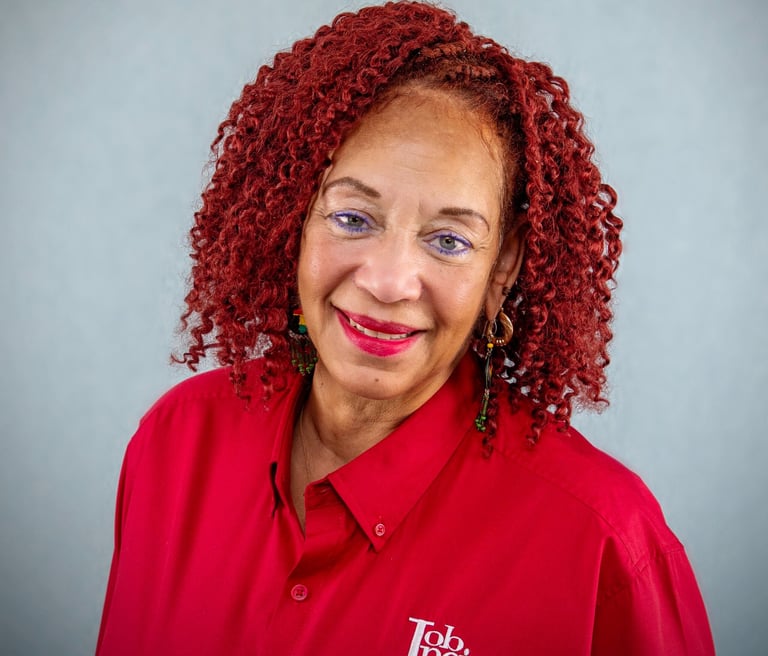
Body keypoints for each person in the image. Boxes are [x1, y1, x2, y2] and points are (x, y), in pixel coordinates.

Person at [96, 2, 714, 654]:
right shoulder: (176, 444)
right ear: (295, 218)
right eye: (353, 219)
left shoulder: (602, 542)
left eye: (448, 240)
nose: (390, 282)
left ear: (501, 269)